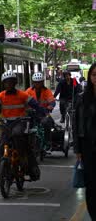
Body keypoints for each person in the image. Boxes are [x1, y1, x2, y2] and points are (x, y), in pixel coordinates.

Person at [0, 70, 46, 181]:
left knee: (18, 135)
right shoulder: (1, 96)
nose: (9, 84)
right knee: (1, 148)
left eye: (11, 82)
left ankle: (22, 160)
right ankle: (0, 175)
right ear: (4, 84)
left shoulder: (22, 95)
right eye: (7, 82)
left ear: (15, 83)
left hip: (20, 123)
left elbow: (35, 105)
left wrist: (43, 113)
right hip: (6, 124)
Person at [74, 63, 96, 220]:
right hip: (88, 146)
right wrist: (78, 150)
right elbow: (76, 125)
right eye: (94, 75)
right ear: (90, 77)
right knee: (91, 185)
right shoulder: (82, 98)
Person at [25, 72, 56, 144]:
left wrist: (50, 106)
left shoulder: (47, 91)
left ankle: (47, 140)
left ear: (42, 82)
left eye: (39, 82)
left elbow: (52, 101)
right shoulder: (28, 91)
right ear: (33, 83)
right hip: (31, 114)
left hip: (43, 113)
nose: (38, 84)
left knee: (47, 122)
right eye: (36, 82)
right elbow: (23, 101)